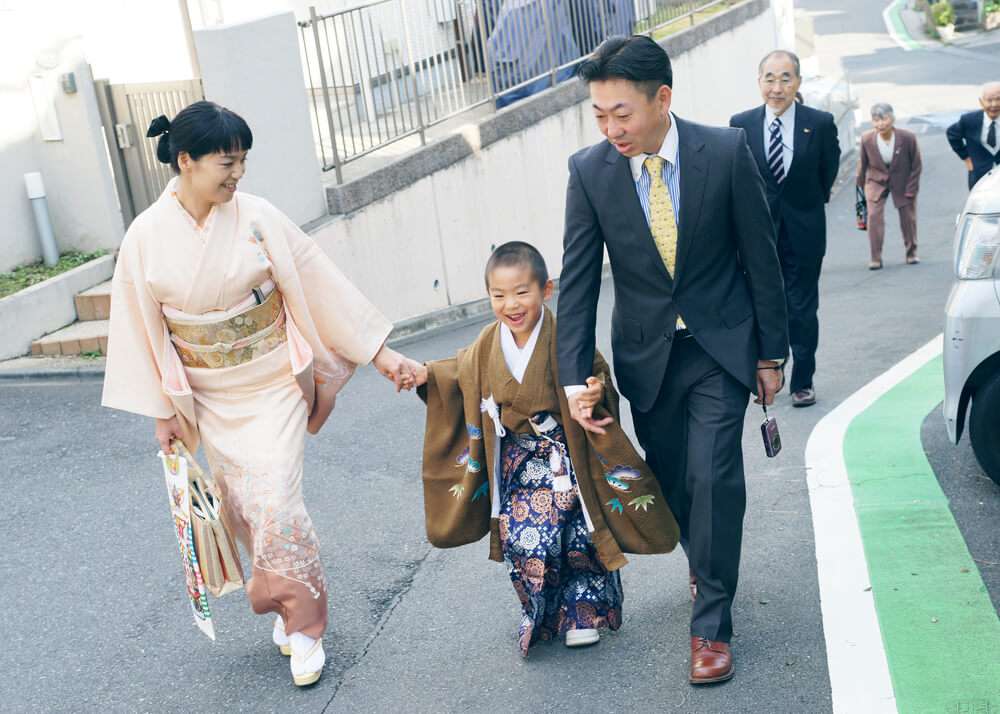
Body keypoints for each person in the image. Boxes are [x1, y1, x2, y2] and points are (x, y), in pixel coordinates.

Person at [101, 101, 416, 687]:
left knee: (275, 499)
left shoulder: (257, 216)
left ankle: (304, 626)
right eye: (227, 161)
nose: (237, 173)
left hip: (271, 383)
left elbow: (322, 285)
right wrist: (161, 413)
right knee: (241, 507)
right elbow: (141, 329)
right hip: (206, 397)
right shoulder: (145, 237)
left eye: (242, 160)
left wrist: (380, 353)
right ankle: (280, 603)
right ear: (186, 161)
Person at [557, 36, 788, 685]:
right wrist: (577, 378)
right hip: (646, 358)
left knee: (716, 477)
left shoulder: (725, 152)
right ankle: (705, 558)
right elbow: (576, 282)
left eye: (621, 113)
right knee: (674, 484)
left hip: (720, 346)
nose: (610, 128)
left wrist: (772, 353)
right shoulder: (590, 170)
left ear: (663, 98)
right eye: (599, 115)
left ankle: (711, 624)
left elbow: (761, 259)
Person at [412, 242, 679, 657]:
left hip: (564, 458)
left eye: (521, 292)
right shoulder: (487, 343)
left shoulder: (564, 338)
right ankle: (541, 609)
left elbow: (596, 375)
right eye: (498, 296)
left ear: (546, 290)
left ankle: (581, 613)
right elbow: (458, 371)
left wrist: (593, 394)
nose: (510, 304)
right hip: (518, 462)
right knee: (524, 538)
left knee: (576, 537)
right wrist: (425, 374)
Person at [730, 50, 840, 408]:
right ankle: (770, 371)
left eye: (785, 78)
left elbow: (828, 174)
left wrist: (804, 208)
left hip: (805, 231)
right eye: (770, 78)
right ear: (759, 81)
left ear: (798, 82)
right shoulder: (740, 124)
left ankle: (802, 380)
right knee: (763, 302)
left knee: (802, 307)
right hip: (757, 234)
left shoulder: (819, 123)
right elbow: (738, 181)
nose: (777, 87)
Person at [856, 103, 922, 270]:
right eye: (876, 120)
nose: (880, 124)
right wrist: (860, 190)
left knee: (908, 218)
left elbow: (916, 165)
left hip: (902, 181)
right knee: (873, 217)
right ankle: (875, 257)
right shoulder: (867, 139)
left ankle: (911, 253)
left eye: (884, 119)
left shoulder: (907, 137)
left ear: (892, 118)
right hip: (876, 181)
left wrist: (911, 189)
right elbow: (862, 165)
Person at [947, 82, 1000, 190]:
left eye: (998, 99)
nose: (994, 104)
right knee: (979, 206)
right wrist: (966, 158)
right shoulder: (969, 120)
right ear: (981, 102)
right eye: (989, 100)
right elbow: (952, 134)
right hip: (979, 177)